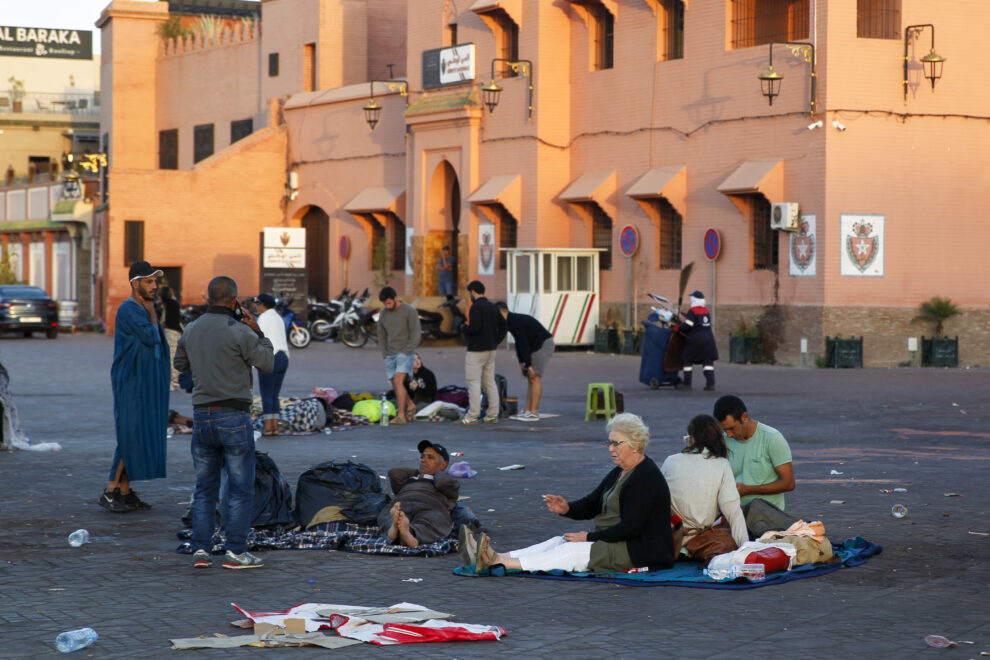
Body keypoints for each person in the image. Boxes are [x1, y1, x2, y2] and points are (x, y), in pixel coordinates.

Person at [465, 413, 674, 573]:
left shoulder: (646, 477)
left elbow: (631, 528)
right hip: (619, 542)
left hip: (639, 552)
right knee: (560, 541)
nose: (611, 448)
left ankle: (501, 563)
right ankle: (496, 556)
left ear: (635, 445)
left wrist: (589, 537)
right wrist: (566, 508)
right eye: (609, 443)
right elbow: (593, 503)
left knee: (572, 551)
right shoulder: (621, 471)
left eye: (616, 443)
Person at [174, 276, 274, 569]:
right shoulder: (240, 331)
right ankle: (235, 551)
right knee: (240, 488)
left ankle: (201, 551)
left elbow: (181, 365)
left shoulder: (191, 329)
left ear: (208, 299)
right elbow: (268, 363)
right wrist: (258, 331)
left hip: (202, 417)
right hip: (234, 416)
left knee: (205, 487)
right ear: (234, 301)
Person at [99, 260, 170, 514]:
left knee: (138, 432)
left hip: (144, 381)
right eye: (149, 281)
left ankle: (125, 492)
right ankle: (110, 490)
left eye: (155, 281)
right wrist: (152, 310)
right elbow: (151, 337)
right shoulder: (130, 309)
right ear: (135, 283)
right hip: (131, 381)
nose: (154, 286)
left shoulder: (141, 307)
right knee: (130, 433)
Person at [661, 414, 748, 556]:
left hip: (671, 541)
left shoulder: (671, 461)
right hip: (702, 543)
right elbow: (733, 512)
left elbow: (656, 500)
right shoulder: (721, 464)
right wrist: (745, 548)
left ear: (692, 438)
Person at [713, 395, 798, 539]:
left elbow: (788, 483)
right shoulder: (723, 440)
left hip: (766, 518)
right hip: (733, 514)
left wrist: (748, 490)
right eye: (725, 430)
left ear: (744, 417)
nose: (729, 434)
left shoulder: (772, 438)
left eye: (732, 428)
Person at [378, 440, 460, 547]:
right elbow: (394, 473)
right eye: (422, 457)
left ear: (443, 464)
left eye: (430, 457)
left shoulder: (447, 481)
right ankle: (394, 528)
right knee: (387, 515)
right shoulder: (413, 477)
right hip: (403, 501)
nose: (423, 460)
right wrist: (418, 473)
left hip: (430, 506)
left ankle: (408, 533)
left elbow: (442, 483)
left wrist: (439, 472)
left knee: (434, 521)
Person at [457, 280, 507, 425]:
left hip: (476, 350)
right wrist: (495, 341)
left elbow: (475, 327)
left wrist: (464, 329)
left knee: (473, 382)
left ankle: (472, 416)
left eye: (469, 293)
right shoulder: (492, 306)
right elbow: (503, 326)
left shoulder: (476, 307)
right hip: (491, 350)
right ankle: (492, 414)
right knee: (489, 382)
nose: (469, 296)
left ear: (473, 292)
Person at [495, 301, 553, 420]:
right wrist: (522, 363)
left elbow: (524, 344)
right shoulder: (510, 322)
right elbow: (519, 344)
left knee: (535, 377)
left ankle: (534, 412)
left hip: (543, 344)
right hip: (533, 346)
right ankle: (527, 410)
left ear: (502, 313)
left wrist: (529, 365)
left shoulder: (515, 322)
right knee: (530, 379)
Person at [377, 287, 422, 424]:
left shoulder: (409, 311)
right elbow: (381, 334)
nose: (387, 306)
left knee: (398, 381)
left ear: (396, 298)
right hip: (390, 352)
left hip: (405, 352)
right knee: (394, 383)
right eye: (385, 304)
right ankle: (410, 405)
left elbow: (416, 333)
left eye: (389, 303)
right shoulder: (383, 314)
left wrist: (408, 350)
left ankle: (401, 415)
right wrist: (384, 352)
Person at [254, 294, 289, 436]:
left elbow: (257, 340)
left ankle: (268, 428)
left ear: (263, 305)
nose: (256, 307)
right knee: (274, 395)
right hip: (283, 357)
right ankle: (274, 427)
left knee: (266, 395)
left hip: (269, 357)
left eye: (258, 304)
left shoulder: (263, 318)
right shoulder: (278, 317)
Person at [679, 290, 719, 391]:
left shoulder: (693, 311)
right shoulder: (706, 311)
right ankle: (710, 385)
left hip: (696, 340)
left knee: (687, 359)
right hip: (709, 340)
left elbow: (688, 325)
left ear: (694, 299)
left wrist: (680, 327)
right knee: (708, 362)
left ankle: (687, 384)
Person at [159, 286, 183, 391]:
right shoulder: (166, 305)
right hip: (168, 332)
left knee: (172, 357)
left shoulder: (171, 303)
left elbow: (165, 298)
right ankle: (171, 381)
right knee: (169, 357)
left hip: (172, 332)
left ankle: (174, 382)